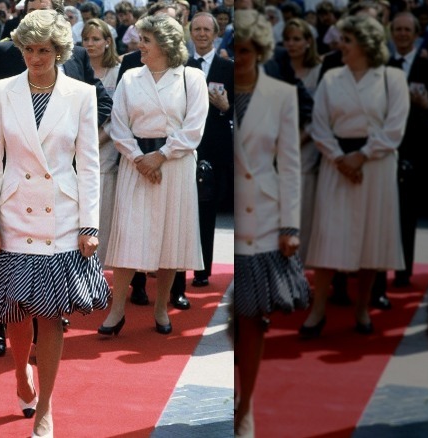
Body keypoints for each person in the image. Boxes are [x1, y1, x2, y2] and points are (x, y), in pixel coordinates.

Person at [0, 10, 109, 437]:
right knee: (16, 312)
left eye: (44, 50)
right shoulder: (1, 91)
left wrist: (90, 223)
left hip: (62, 216)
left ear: (60, 51)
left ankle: (46, 407)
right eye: (29, 49)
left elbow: (88, 165)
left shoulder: (82, 94)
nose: (35, 57)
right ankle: (20, 374)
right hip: (13, 214)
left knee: (50, 316)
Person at [300, 14, 409, 338]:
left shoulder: (392, 77)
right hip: (337, 167)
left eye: (347, 40)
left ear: (365, 43)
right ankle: (318, 310)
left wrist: (362, 155)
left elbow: (395, 127)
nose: (340, 45)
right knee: (329, 236)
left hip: (375, 167)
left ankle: (362, 309)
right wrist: (340, 159)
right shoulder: (332, 78)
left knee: (370, 238)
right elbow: (319, 125)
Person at [100, 12, 208, 337]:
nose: (139, 45)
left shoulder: (191, 77)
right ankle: (117, 309)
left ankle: (161, 308)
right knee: (128, 235)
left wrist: (161, 156)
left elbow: (194, 128)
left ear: (164, 43)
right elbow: (117, 124)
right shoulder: (131, 77)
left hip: (174, 166)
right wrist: (138, 158)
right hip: (136, 166)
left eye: (145, 40)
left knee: (169, 238)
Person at [232, 9, 311, 437]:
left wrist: (291, 226)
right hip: (231, 217)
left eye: (248, 50)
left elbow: (291, 166)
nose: (241, 57)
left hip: (263, 219)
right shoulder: (221, 85)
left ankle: (246, 406)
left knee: (253, 318)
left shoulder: (281, 94)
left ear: (261, 51)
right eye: (236, 49)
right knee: (233, 317)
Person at [170, 10, 233, 302]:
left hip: (216, 148)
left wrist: (226, 106)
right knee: (183, 211)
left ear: (216, 33)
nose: (202, 34)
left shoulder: (228, 67)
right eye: (197, 29)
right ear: (190, 32)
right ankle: (179, 269)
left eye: (208, 30)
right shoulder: (181, 66)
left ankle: (203, 269)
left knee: (207, 211)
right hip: (186, 147)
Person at [372, 12, 428, 297]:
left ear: (416, 33)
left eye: (407, 30)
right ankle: (378, 272)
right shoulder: (381, 66)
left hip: (416, 148)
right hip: (384, 147)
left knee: (407, 214)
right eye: (397, 29)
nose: (401, 34)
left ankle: (403, 271)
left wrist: (426, 104)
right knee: (382, 215)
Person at [281, 17, 323, 266]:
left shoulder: (319, 70)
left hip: (306, 147)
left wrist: (297, 141)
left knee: (303, 208)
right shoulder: (277, 68)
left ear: (309, 42)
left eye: (297, 39)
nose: (291, 44)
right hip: (277, 148)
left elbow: (320, 114)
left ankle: (301, 264)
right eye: (287, 39)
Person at [81, 18, 120, 265]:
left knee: (104, 209)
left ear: (108, 42)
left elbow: (119, 116)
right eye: (86, 39)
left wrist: (95, 141)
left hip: (106, 147)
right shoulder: (75, 66)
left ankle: (100, 265)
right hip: (77, 147)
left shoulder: (118, 70)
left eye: (96, 39)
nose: (90, 44)